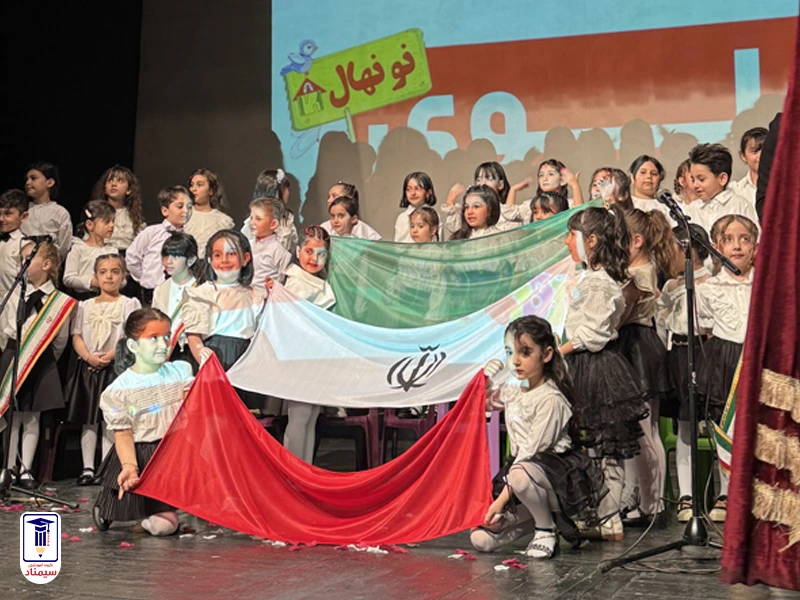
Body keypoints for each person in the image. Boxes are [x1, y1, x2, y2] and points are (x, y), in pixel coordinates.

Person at [471, 316, 605, 558]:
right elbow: (481, 404)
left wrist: (500, 502)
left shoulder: (551, 399)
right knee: (480, 539)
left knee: (520, 473)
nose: (515, 360)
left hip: (551, 476)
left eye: (525, 352)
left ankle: (546, 528)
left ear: (546, 354)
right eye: (510, 352)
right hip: (521, 479)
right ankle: (550, 519)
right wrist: (486, 380)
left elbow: (531, 453)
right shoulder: (513, 391)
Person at [558, 206, 649, 540]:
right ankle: (599, 513)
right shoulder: (588, 277)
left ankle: (609, 516)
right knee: (593, 446)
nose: (567, 241)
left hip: (595, 366)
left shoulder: (599, 283)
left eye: (572, 235)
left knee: (605, 445)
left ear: (592, 240)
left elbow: (593, 334)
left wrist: (558, 352)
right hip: (583, 364)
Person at [93, 307, 193, 535]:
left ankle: (166, 509)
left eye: (166, 336)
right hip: (143, 454)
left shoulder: (179, 372)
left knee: (171, 519)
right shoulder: (121, 389)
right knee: (162, 526)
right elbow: (123, 434)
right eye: (153, 338)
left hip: (174, 450)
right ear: (133, 345)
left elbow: (193, 410)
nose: (163, 344)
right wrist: (130, 466)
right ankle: (115, 507)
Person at [616, 209, 677, 527]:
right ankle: (646, 501)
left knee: (644, 432)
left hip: (637, 346)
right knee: (643, 431)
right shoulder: (641, 267)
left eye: (620, 239)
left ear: (636, 241)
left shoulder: (638, 274)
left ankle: (652, 504)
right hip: (638, 344)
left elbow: (621, 317)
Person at [696, 214, 758, 523]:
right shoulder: (708, 288)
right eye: (729, 240)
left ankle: (756, 489)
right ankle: (726, 491)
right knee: (724, 422)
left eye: (745, 239)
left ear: (755, 246)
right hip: (724, 357)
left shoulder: (764, 285)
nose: (737, 246)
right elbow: (705, 326)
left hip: (757, 358)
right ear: (717, 247)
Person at [0, 240, 76, 490]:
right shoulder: (14, 294)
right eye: (21, 260)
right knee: (12, 414)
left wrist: (45, 357)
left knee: (33, 415)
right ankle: (8, 467)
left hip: (41, 357)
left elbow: (61, 340)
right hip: (15, 354)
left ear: (46, 264)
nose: (22, 264)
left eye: (28, 259)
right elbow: (6, 329)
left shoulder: (59, 301)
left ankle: (26, 469)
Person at [65, 254, 140, 485]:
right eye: (103, 272)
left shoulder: (129, 304)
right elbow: (76, 335)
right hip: (89, 366)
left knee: (112, 418)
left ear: (123, 276)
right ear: (95, 277)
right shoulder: (84, 306)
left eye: (115, 272)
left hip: (115, 368)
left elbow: (129, 336)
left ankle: (107, 466)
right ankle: (88, 468)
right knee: (89, 418)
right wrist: (88, 356)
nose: (109, 277)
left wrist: (108, 356)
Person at [657, 224, 713, 522]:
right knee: (685, 424)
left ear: (686, 249)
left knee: (713, 422)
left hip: (705, 351)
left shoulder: (711, 282)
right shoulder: (670, 285)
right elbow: (662, 316)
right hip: (678, 353)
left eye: (670, 249)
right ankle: (686, 496)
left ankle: (724, 495)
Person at [275, 226, 335, 463]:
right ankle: (293, 470)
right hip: (299, 353)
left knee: (311, 415)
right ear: (298, 250)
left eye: (321, 254)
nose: (314, 259)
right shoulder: (295, 283)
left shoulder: (318, 283)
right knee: (300, 415)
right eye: (309, 252)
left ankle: (305, 469)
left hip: (315, 354)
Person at [183, 230, 266, 374]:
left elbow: (262, 332)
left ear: (246, 258)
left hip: (245, 359)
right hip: (213, 358)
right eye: (217, 255)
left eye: (232, 254)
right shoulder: (203, 294)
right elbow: (193, 335)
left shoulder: (255, 295)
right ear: (210, 260)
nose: (224, 260)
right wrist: (201, 354)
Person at [125, 186, 193, 304]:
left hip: (177, 292)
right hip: (151, 290)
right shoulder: (151, 232)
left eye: (189, 207)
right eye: (180, 206)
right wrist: (144, 278)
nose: (185, 211)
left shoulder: (187, 238)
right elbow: (132, 256)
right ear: (165, 211)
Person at [151, 232, 205, 365]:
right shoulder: (160, 289)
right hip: (166, 351)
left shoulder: (201, 289)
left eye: (175, 256)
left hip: (190, 350)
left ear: (191, 260)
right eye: (166, 256)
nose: (168, 261)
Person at [685, 144, 759, 234]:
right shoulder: (692, 209)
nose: (695, 185)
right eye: (693, 179)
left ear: (722, 179)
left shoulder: (740, 205)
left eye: (701, 179)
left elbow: (755, 237)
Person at [64, 200, 118, 300]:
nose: (112, 225)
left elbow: (122, 278)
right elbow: (68, 278)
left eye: (113, 221)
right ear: (90, 225)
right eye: (107, 222)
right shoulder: (78, 249)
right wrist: (91, 282)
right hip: (84, 298)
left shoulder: (112, 250)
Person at [20, 162, 72, 260]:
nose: (28, 183)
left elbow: (64, 246)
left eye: (33, 178)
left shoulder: (59, 212)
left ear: (50, 182)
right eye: (27, 179)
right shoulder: (22, 210)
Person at [90, 165, 145, 254]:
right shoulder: (95, 213)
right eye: (110, 180)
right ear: (104, 188)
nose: (113, 184)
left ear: (129, 190)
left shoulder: (133, 217)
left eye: (120, 181)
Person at [243, 168, 299, 253]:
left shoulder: (287, 221)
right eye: (285, 189)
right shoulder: (252, 223)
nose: (288, 193)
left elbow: (293, 248)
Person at [185, 168, 235, 259]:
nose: (193, 189)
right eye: (192, 185)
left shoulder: (222, 221)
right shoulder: (183, 215)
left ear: (211, 190)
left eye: (199, 185)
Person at [0, 190, 29, 334]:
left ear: (23, 216)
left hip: (10, 311)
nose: (1, 219)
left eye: (8, 214)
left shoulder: (25, 245)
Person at [248, 197, 292, 290]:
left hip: (266, 295)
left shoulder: (278, 251)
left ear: (273, 224)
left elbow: (287, 278)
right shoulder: (248, 245)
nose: (252, 222)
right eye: (251, 218)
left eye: (258, 219)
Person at [443, 184, 510, 240]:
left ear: (490, 210)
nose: (469, 212)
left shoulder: (499, 238)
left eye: (476, 206)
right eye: (466, 207)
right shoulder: (459, 239)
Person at [394, 172, 437, 243]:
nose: (413, 193)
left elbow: (439, 241)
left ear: (428, 192)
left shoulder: (434, 215)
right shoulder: (402, 217)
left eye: (417, 189)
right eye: (408, 189)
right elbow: (398, 244)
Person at [730, 127, 768, 208]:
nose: (760, 156)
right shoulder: (735, 190)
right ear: (743, 157)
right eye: (754, 151)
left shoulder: (785, 185)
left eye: (765, 150)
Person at [628, 155, 672, 223]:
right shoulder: (625, 206)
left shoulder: (667, 208)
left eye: (654, 174)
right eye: (643, 172)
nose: (648, 176)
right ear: (632, 178)